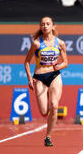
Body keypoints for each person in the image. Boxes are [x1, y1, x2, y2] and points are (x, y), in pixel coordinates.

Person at [24, 17, 68, 147]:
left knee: (54, 105)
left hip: (54, 75)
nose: (45, 26)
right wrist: (29, 78)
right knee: (44, 112)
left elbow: (66, 62)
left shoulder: (60, 43)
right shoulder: (37, 43)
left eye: (48, 24)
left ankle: (48, 137)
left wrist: (59, 66)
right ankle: (48, 96)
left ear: (53, 26)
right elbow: (26, 62)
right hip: (40, 77)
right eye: (42, 24)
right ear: (40, 27)